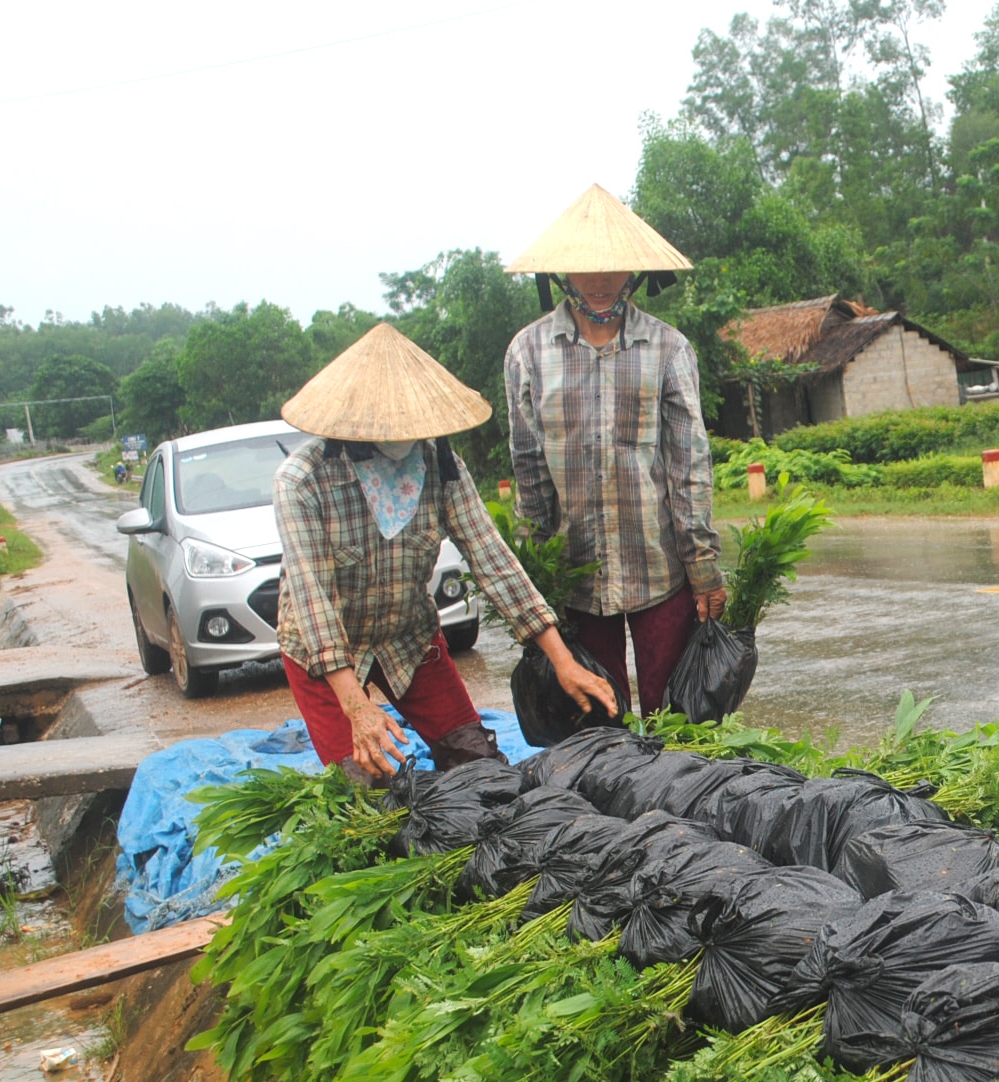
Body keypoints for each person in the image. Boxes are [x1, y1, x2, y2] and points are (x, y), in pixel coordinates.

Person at [273, 322, 616, 783]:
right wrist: (357, 707)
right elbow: (312, 600)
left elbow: (492, 560)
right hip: (325, 656)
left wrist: (562, 659)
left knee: (478, 766)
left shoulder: (441, 467)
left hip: (408, 640)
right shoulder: (301, 481)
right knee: (366, 785)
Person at [503, 184, 724, 717]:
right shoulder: (528, 353)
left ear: (634, 273)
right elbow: (529, 470)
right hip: (576, 579)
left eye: (614, 269)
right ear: (562, 274)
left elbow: (688, 464)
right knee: (596, 725)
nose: (600, 282)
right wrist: (537, 586)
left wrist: (703, 566)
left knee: (678, 720)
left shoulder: (668, 348)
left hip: (659, 570)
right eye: (586, 269)